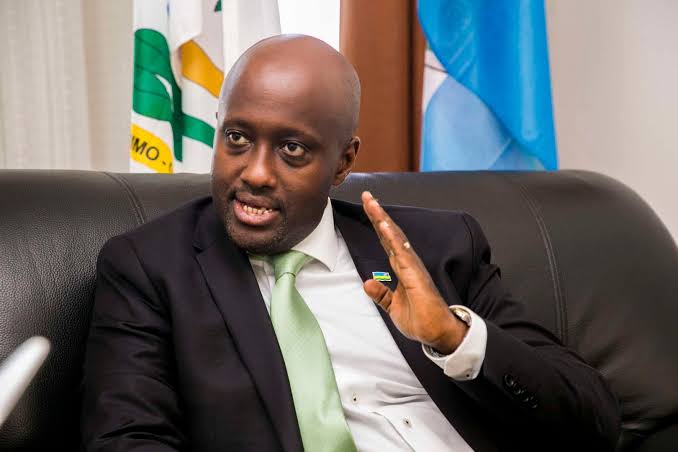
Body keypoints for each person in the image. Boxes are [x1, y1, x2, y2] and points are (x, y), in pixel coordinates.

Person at [82, 35, 620, 451]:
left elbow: (594, 419)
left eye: (292, 149)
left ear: (343, 163)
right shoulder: (151, 269)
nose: (256, 173)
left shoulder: (435, 248)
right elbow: (127, 440)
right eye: (238, 138)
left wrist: (454, 339)